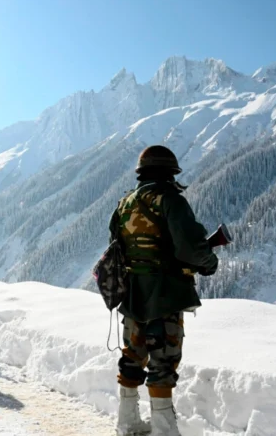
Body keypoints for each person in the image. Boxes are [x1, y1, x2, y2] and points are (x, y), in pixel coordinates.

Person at [111, 145, 218, 436]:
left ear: (141, 172)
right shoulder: (170, 200)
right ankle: (163, 430)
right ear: (171, 172)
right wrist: (209, 262)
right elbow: (190, 246)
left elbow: (116, 246)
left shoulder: (125, 203)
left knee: (132, 355)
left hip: (132, 293)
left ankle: (127, 422)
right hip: (165, 294)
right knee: (164, 360)